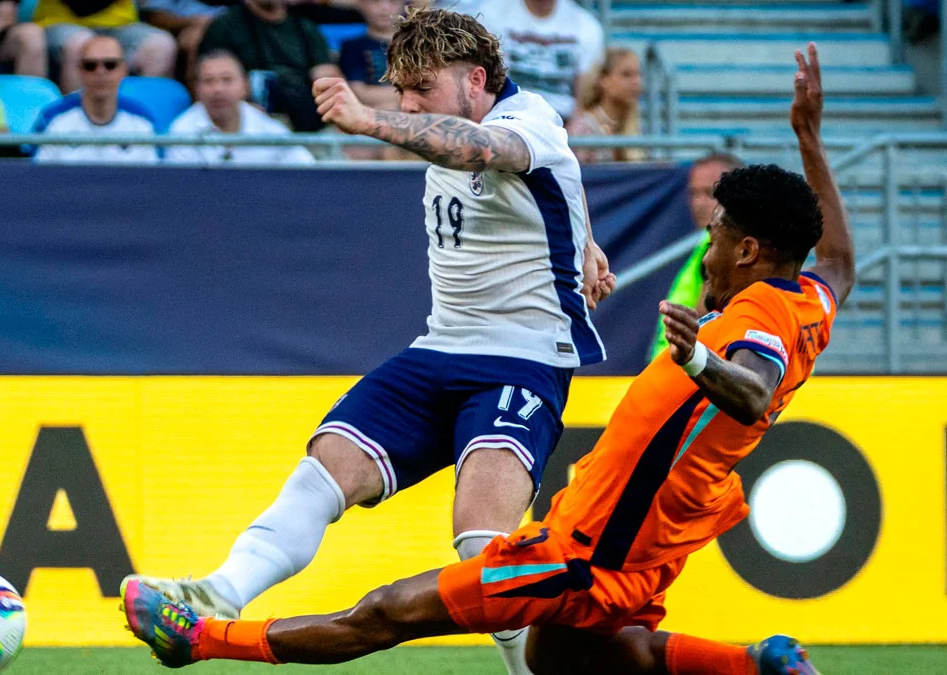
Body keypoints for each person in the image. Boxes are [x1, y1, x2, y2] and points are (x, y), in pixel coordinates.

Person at [123, 43, 848, 675]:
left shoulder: (757, 313)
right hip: (621, 533)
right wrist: (809, 140)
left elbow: (753, 388)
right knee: (594, 657)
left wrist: (696, 361)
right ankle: (755, 662)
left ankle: (205, 639)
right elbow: (841, 260)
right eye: (399, 93)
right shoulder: (814, 297)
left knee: (391, 607)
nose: (707, 239)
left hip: (570, 502)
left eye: (718, 231)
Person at [125, 8, 614, 675]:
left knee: (481, 540)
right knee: (322, 470)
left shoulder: (529, 124)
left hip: (522, 358)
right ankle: (214, 597)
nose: (409, 105)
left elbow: (483, 151)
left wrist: (370, 119)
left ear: (476, 80)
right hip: (440, 348)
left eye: (422, 90)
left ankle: (533, 667)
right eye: (400, 90)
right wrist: (582, 239)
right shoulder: (461, 122)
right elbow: (541, 190)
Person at [649, 153, 745, 361]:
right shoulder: (707, 241)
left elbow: (706, 319)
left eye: (709, 193)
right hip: (676, 369)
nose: (699, 203)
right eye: (693, 193)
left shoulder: (729, 250)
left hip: (690, 373)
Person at [198, 0, 343, 132]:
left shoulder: (305, 28)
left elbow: (326, 78)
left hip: (306, 119)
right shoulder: (224, 27)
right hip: (249, 122)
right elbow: (208, 78)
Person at [166, 51, 315, 165]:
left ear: (245, 86)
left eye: (227, 80)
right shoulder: (181, 131)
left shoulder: (266, 126)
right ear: (196, 89)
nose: (218, 89)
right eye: (208, 81)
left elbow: (305, 168)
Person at [468, 0, 603, 122]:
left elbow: (584, 96)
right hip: (508, 113)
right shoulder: (490, 15)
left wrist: (575, 125)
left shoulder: (587, 26)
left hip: (563, 118)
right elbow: (487, 81)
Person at [32, 36, 159, 164]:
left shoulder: (142, 121)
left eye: (110, 65)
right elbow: (39, 177)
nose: (100, 72)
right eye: (90, 65)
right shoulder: (53, 118)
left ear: (124, 69)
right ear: (80, 70)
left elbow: (151, 179)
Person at [33, 0, 177, 93]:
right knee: (82, 45)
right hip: (60, 23)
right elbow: (81, 7)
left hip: (122, 25)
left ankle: (141, 123)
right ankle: (74, 122)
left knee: (161, 45)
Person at [566, 47, 645, 164]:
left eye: (638, 74)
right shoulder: (583, 129)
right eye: (626, 75)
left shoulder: (633, 124)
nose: (636, 82)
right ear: (603, 80)